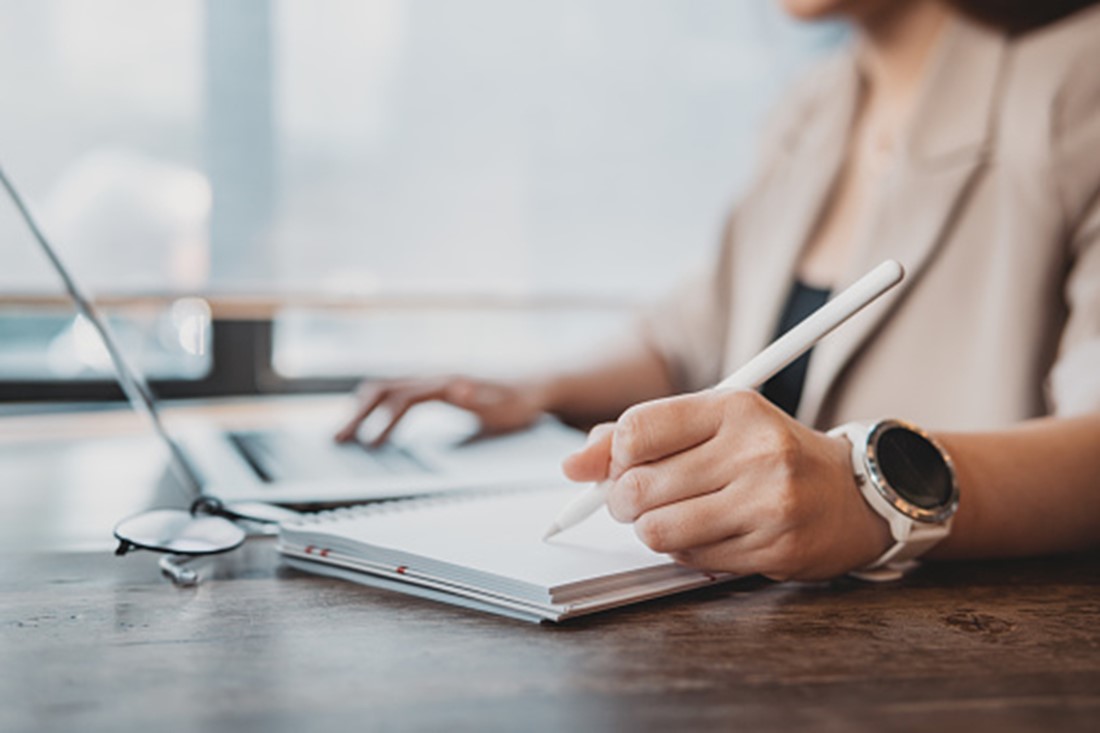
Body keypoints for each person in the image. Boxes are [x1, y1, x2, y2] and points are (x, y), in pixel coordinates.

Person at [337, 0, 1100, 581]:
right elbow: (693, 337)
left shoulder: (1080, 76)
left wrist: (865, 492)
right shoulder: (815, 102)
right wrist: (534, 388)